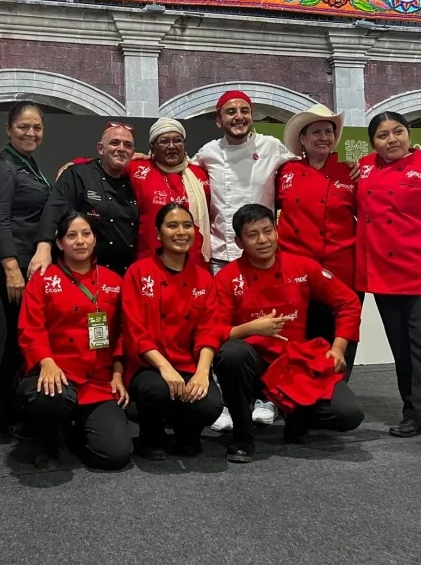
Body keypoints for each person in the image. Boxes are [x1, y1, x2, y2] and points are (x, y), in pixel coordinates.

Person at [213, 204, 364, 463]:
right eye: (252, 235)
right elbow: (213, 331)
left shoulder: (302, 266)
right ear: (239, 241)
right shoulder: (228, 278)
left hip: (294, 363)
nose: (262, 240)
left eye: (267, 231)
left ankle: (297, 417)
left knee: (348, 414)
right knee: (232, 354)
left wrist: (338, 348)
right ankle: (242, 435)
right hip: (253, 367)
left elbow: (348, 302)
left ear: (276, 231)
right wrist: (252, 328)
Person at [357, 112, 421, 455]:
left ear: (408, 133)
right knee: (402, 349)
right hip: (384, 275)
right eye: (383, 135)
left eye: (398, 132)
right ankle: (412, 413)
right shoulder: (364, 168)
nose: (392, 140)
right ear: (373, 142)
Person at [195, 91, 299, 432]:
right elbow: (174, 164)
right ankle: (226, 400)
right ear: (218, 119)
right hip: (223, 258)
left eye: (243, 111)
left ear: (251, 115)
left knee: (269, 329)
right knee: (223, 334)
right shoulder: (208, 153)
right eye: (230, 112)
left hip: (265, 257)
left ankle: (267, 396)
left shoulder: (272, 147)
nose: (237, 116)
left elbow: (310, 159)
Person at [17, 211, 132, 471]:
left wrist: (118, 372)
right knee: (49, 395)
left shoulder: (114, 281)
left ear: (94, 240)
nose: (79, 241)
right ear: (59, 243)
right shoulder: (44, 279)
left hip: (99, 381)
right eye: (71, 235)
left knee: (116, 455)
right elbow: (30, 328)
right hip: (58, 373)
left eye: (86, 234)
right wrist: (46, 362)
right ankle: (48, 445)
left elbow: (125, 332)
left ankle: (78, 432)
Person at [122, 203, 224, 460]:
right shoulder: (138, 273)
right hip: (148, 365)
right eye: (172, 226)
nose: (181, 232)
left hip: (189, 364)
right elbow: (135, 330)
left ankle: (187, 435)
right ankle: (151, 437)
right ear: (158, 234)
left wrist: (202, 372)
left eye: (187, 226)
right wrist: (165, 368)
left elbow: (209, 330)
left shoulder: (204, 278)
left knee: (210, 404)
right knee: (157, 389)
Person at [277, 104, 361, 380]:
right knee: (300, 336)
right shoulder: (284, 171)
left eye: (329, 131)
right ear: (302, 138)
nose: (323, 137)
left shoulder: (350, 172)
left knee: (341, 336)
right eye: (316, 132)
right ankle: (294, 393)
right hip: (298, 271)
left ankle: (336, 391)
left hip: (342, 271)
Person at [0, 102, 51, 437]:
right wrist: (11, 268)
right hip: (14, 268)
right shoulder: (4, 168)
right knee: (22, 339)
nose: (31, 133)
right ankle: (9, 416)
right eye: (24, 126)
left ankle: (14, 411)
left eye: (36, 127)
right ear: (9, 129)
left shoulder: (29, 165)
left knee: (22, 339)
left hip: (29, 266)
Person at [62, 118, 212, 266]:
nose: (171, 146)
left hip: (194, 263)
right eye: (164, 141)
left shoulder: (200, 175)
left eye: (177, 140)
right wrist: (76, 163)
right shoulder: (138, 168)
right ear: (152, 147)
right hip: (148, 262)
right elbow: (107, 161)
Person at [28, 122, 138, 277]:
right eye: (114, 143)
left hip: (123, 274)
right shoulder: (77, 174)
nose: (121, 149)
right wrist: (43, 247)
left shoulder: (133, 181)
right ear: (100, 148)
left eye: (127, 145)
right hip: (83, 272)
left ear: (133, 153)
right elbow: (54, 209)